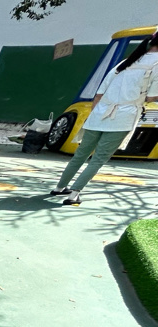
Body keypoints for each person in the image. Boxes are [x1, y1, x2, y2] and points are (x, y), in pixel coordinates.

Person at [52, 33, 158, 206]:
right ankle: (74, 194)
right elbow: (151, 97)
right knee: (99, 158)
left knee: (80, 154)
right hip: (123, 117)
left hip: (99, 113)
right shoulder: (156, 65)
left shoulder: (126, 62)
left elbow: (99, 93)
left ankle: (59, 187)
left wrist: (96, 113)